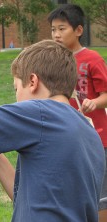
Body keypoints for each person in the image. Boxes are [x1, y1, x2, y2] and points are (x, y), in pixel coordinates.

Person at [0, 40, 106, 221]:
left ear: (32, 81)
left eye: (16, 88)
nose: (17, 97)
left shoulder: (41, 113)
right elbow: (28, 200)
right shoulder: (89, 132)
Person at [48, 4, 107, 221]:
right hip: (66, 137)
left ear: (79, 31)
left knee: (100, 194)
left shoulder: (92, 59)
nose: (56, 34)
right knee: (71, 188)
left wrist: (95, 102)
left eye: (62, 29)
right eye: (53, 29)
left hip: (98, 138)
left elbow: (106, 94)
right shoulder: (53, 61)